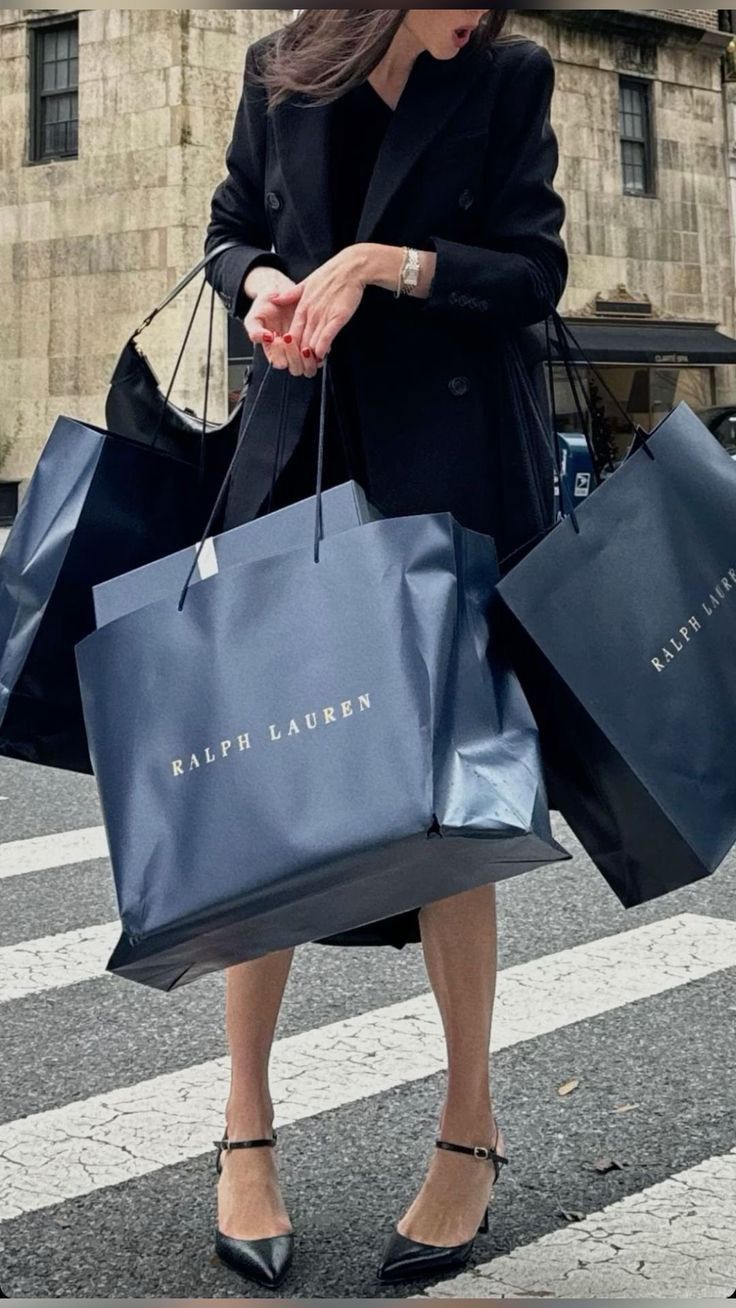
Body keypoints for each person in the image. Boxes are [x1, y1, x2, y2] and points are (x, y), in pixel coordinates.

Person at [203, 7, 568, 1289]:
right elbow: (231, 229)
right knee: (264, 809)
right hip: (297, 468)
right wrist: (264, 289)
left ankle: (468, 1129)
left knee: (450, 813)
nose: (479, 11)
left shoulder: (507, 74)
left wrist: (382, 264)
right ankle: (243, 1128)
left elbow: (531, 273)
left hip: (452, 480)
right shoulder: (283, 64)